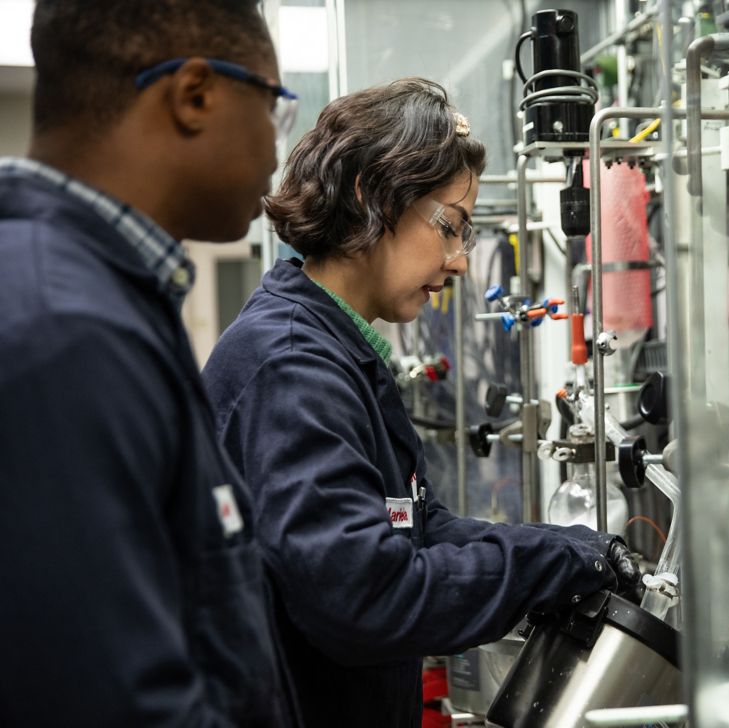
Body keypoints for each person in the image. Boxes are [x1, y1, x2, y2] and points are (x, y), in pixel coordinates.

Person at [201, 77, 642, 728]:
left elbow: (419, 527)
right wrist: (543, 563)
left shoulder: (333, 346)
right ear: (371, 195)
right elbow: (366, 596)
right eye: (450, 227)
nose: (461, 262)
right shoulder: (293, 368)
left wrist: (565, 549)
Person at [0, 2, 294, 725]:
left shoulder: (102, 295)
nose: (274, 150)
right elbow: (113, 701)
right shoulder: (63, 330)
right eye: (272, 106)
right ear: (195, 94)